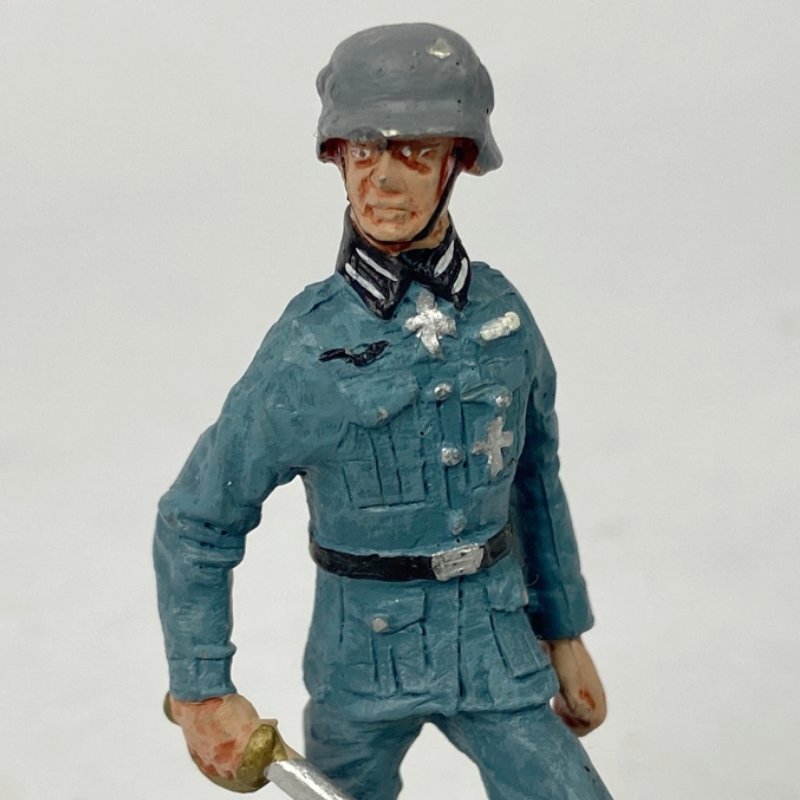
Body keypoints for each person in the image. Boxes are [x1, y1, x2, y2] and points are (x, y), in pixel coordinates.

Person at [155, 23, 612, 799]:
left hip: (495, 651)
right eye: (364, 150)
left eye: (417, 152)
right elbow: (197, 519)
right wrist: (201, 692)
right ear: (337, 157)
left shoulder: (502, 319)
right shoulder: (308, 347)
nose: (386, 181)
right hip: (362, 666)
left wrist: (563, 631)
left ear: (459, 160)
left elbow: (536, 479)